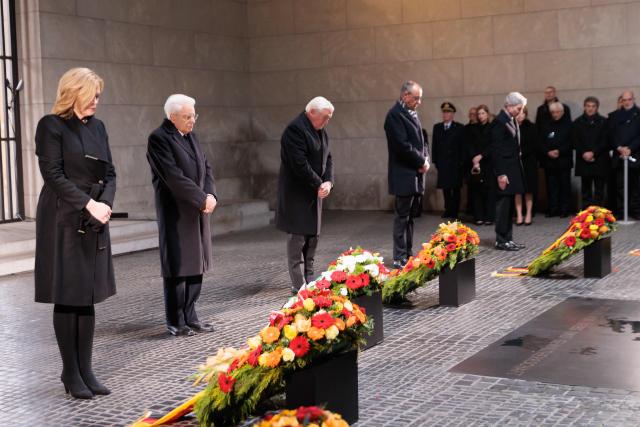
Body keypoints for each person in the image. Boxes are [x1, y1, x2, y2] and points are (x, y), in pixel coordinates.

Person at [34, 67, 116, 399]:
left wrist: (105, 204)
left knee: (88, 294)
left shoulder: (98, 127)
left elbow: (110, 171)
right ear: (75, 91)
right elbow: (52, 173)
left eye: (98, 95)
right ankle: (70, 372)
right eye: (93, 94)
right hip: (64, 217)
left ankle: (87, 369)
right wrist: (87, 204)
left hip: (95, 216)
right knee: (69, 294)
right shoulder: (51, 126)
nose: (97, 100)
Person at [147, 94, 217, 337]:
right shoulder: (158, 139)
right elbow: (173, 177)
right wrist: (201, 199)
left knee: (196, 264)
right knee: (178, 267)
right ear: (172, 116)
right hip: (176, 212)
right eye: (187, 117)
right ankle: (176, 320)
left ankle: (191, 316)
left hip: (198, 210)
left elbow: (206, 168)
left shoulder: (192, 137)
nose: (192, 121)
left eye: (194, 116)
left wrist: (211, 195)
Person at [276, 96, 334, 292]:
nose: (327, 122)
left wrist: (328, 181)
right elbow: (299, 164)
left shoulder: (320, 129)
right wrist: (319, 183)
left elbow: (328, 158)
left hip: (315, 192)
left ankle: (310, 278)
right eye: (325, 117)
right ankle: (298, 283)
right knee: (298, 239)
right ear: (311, 113)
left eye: (329, 118)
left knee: (312, 238)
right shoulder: (295, 130)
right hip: (297, 194)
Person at [384, 81, 430, 269]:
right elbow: (402, 146)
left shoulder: (411, 113)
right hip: (404, 174)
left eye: (420, 98)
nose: (419, 102)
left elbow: (422, 140)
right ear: (405, 96)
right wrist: (421, 161)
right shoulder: (394, 115)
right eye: (416, 98)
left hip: (415, 174)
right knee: (401, 217)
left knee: (411, 216)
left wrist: (425, 158)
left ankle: (408, 253)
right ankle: (399, 256)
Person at [490, 92, 527, 251]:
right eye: (518, 108)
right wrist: (501, 174)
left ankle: (508, 238)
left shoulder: (511, 120)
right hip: (504, 171)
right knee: (503, 206)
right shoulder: (499, 123)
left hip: (512, 170)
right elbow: (496, 151)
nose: (519, 111)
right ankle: (501, 239)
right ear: (509, 106)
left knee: (509, 206)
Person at [607, 90, 640, 219]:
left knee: (636, 185)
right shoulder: (614, 116)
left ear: (633, 99)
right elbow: (611, 134)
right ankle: (621, 211)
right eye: (624, 100)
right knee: (620, 185)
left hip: (635, 154)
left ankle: (636, 210)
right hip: (619, 154)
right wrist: (619, 147)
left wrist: (630, 148)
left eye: (629, 99)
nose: (627, 102)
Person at [572, 97, 609, 209]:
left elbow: (605, 140)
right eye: (588, 106)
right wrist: (584, 153)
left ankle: (598, 213)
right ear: (584, 107)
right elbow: (574, 140)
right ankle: (586, 214)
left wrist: (593, 153)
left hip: (599, 159)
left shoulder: (604, 121)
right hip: (583, 160)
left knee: (599, 189)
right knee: (585, 189)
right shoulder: (577, 122)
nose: (590, 109)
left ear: (597, 108)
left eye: (593, 106)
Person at [432, 102, 465, 219]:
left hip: (455, 164)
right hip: (443, 163)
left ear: (453, 114)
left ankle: (455, 211)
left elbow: (462, 147)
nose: (446, 114)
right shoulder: (437, 127)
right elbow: (435, 146)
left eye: (448, 112)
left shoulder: (460, 128)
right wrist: (435, 161)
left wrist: (461, 162)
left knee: (455, 189)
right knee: (445, 188)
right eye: (444, 112)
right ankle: (448, 209)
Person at [541, 102, 573, 217]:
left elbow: (571, 142)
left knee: (564, 186)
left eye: (557, 112)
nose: (555, 114)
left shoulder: (569, 125)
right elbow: (541, 141)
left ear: (563, 112)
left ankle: (565, 209)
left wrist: (560, 151)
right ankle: (553, 208)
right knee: (551, 186)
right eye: (553, 112)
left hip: (564, 160)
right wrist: (547, 151)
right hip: (549, 161)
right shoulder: (546, 125)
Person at [467, 104, 495, 225]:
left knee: (489, 191)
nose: (480, 116)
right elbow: (469, 145)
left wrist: (481, 156)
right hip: (476, 164)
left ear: (487, 114)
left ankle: (489, 217)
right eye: (479, 114)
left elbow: (493, 145)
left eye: (483, 113)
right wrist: (475, 158)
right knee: (477, 190)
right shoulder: (473, 128)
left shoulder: (492, 128)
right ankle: (478, 216)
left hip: (488, 162)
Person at [515, 107, 538, 225]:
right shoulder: (511, 127)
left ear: (525, 115)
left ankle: (528, 213)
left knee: (529, 189)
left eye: (522, 113)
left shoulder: (531, 127)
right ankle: (519, 215)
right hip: (515, 162)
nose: (520, 115)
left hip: (528, 161)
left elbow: (535, 144)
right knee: (517, 190)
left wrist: (522, 152)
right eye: (517, 113)